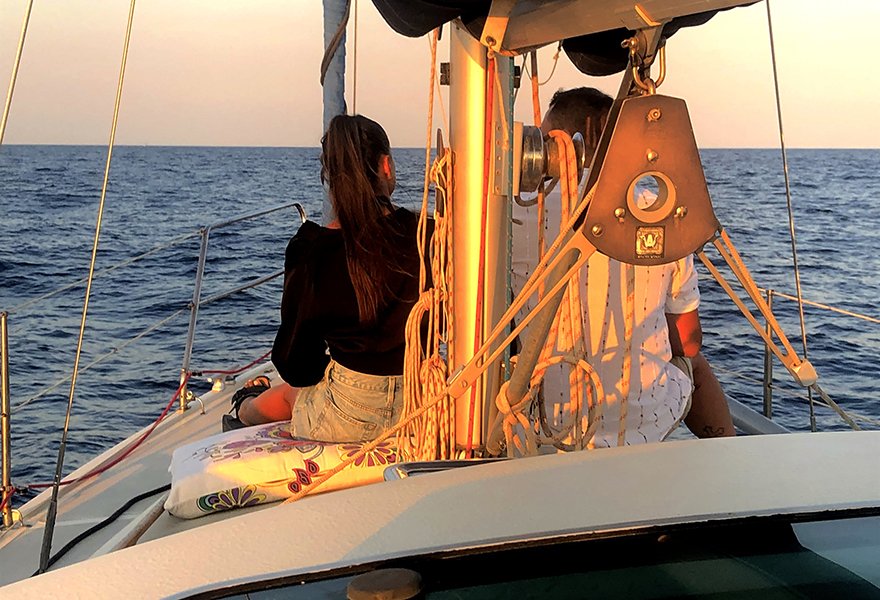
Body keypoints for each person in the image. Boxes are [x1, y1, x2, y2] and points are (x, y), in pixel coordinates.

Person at [511, 87, 734, 447]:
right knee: (694, 361)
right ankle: (730, 455)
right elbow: (688, 339)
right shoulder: (659, 212)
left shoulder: (516, 216)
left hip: (545, 420)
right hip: (645, 420)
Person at [234, 114, 425, 443]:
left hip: (348, 416)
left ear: (330, 178)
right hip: (423, 403)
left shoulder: (312, 249)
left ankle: (243, 408)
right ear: (386, 166)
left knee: (291, 393)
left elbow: (296, 367)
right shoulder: (430, 235)